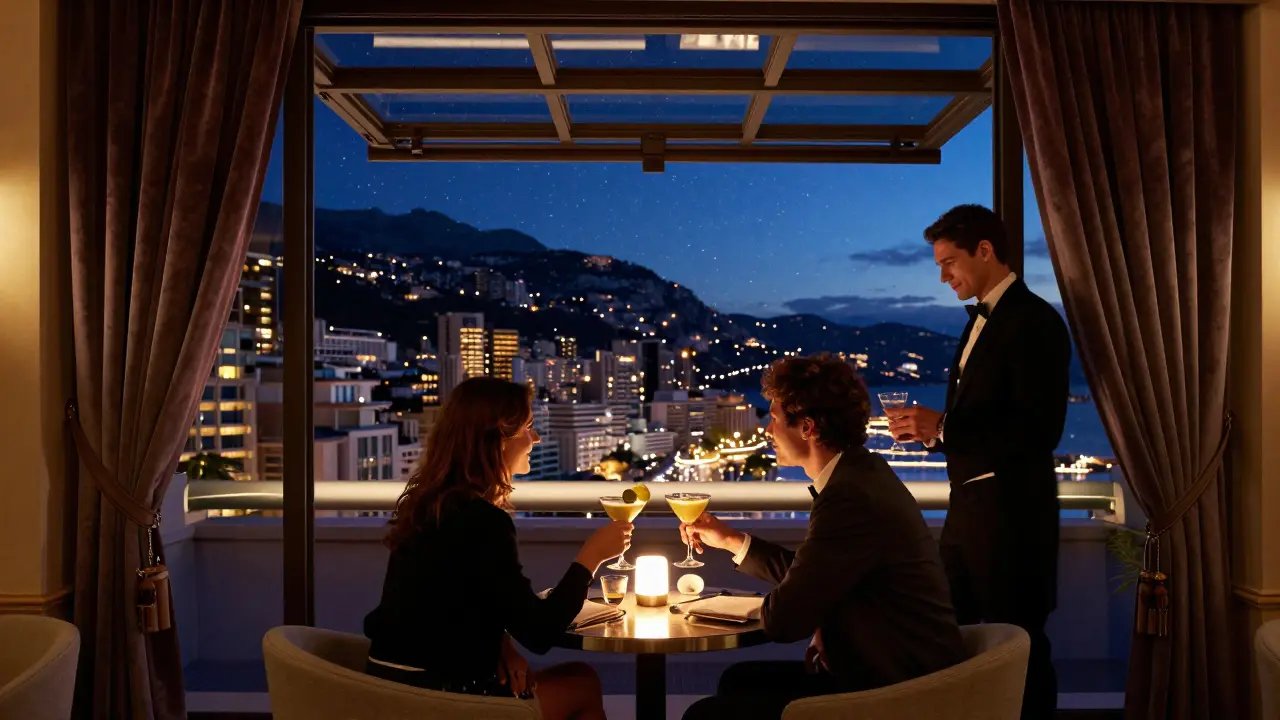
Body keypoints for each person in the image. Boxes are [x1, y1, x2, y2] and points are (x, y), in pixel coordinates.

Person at [681, 354, 964, 720]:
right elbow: (816, 576)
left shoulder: (849, 498)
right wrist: (731, 540)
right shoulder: (863, 472)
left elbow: (783, 620)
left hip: (895, 689)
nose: (767, 430)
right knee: (739, 680)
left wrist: (818, 621)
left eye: (776, 419)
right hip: (896, 666)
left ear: (808, 428)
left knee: (707, 715)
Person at [889, 204, 1070, 720]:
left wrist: (942, 426)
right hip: (969, 517)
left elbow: (1039, 431)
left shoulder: (1034, 321)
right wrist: (932, 434)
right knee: (954, 640)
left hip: (1013, 521)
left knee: (1021, 648)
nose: (943, 276)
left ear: (985, 251)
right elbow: (984, 423)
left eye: (949, 262)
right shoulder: (981, 323)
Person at [364, 377, 632, 720]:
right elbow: (539, 631)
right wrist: (590, 558)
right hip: (438, 698)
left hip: (386, 689)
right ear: (496, 440)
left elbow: (442, 605)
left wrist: (499, 643)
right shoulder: (482, 521)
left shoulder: (427, 506)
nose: (535, 439)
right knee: (583, 683)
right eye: (528, 428)